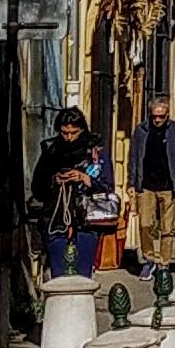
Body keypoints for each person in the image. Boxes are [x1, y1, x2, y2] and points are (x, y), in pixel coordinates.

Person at [29, 108, 116, 279]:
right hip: (56, 220)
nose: (69, 137)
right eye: (64, 133)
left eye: (73, 133)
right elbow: (37, 189)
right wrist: (54, 180)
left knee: (83, 276)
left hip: (86, 221)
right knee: (58, 275)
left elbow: (108, 187)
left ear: (82, 130)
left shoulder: (96, 151)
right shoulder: (50, 151)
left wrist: (85, 179)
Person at [128, 95, 175, 271]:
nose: (157, 120)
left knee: (167, 228)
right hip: (146, 184)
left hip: (169, 185)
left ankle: (164, 263)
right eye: (154, 116)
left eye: (161, 117)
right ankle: (149, 259)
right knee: (145, 224)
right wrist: (131, 183)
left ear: (167, 115)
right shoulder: (141, 130)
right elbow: (133, 158)